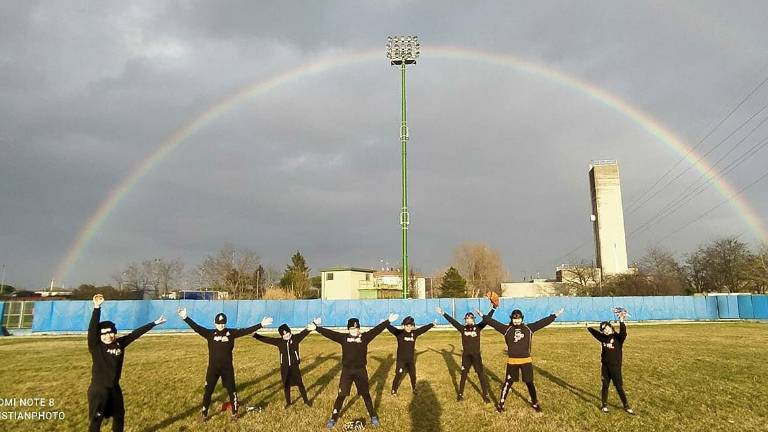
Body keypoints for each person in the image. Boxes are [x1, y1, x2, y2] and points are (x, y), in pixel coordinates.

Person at [87, 294, 166, 432]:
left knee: (119, 416)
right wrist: (97, 307)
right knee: (96, 421)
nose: (108, 335)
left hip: (114, 389)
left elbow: (135, 334)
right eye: (104, 333)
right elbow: (92, 329)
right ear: (99, 336)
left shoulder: (119, 344)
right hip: (99, 390)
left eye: (110, 332)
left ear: (114, 333)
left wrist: (154, 323)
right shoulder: (95, 346)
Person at [178, 307, 272, 421]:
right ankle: (204, 413)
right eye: (218, 323)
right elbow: (196, 328)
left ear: (225, 323)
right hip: (213, 369)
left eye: (222, 323)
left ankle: (235, 413)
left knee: (232, 390)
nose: (220, 325)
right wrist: (185, 317)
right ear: (214, 323)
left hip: (227, 369)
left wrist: (261, 324)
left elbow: (246, 330)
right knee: (208, 391)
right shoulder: (209, 333)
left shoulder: (231, 333)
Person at [315, 313, 398, 429]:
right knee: (341, 395)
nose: (354, 330)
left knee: (365, 394)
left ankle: (373, 416)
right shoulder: (343, 338)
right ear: (348, 329)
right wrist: (317, 328)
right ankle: (333, 418)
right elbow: (330, 334)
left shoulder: (364, 337)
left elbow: (376, 330)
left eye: (356, 328)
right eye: (352, 328)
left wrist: (388, 321)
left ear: (359, 328)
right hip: (347, 371)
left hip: (360, 371)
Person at [480, 307, 564, 412]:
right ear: (511, 319)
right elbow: (494, 323)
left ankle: (535, 403)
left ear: (522, 318)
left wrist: (554, 315)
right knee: (508, 382)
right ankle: (501, 404)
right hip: (512, 362)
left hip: (526, 361)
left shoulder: (529, 328)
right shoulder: (507, 329)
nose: (517, 320)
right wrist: (482, 316)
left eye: (519, 318)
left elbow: (542, 322)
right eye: (514, 319)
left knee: (530, 383)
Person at [435, 302, 495, 403]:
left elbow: (487, 320)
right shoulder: (462, 329)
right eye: (467, 319)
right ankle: (460, 394)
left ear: (473, 319)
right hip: (466, 356)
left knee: (480, 374)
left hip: (476, 356)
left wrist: (493, 309)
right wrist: (443, 313)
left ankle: (485, 395)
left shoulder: (478, 328)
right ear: (465, 320)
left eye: (470, 318)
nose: (468, 320)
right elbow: (453, 322)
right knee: (463, 374)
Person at [253, 322, 314, 408]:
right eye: (284, 336)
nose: (287, 336)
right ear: (281, 336)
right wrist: (255, 335)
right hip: (284, 368)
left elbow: (304, 333)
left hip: (294, 367)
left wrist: (312, 326)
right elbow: (267, 339)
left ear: (290, 332)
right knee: (286, 385)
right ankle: (288, 403)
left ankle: (306, 401)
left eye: (288, 334)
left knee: (300, 384)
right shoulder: (279, 342)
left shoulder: (296, 338)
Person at [587, 309, 635, 415]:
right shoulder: (603, 338)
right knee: (605, 385)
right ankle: (604, 405)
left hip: (615, 367)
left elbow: (623, 333)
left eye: (606, 328)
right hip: (605, 366)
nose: (605, 331)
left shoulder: (618, 338)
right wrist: (589, 328)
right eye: (603, 330)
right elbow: (595, 334)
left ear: (610, 327)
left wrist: (621, 320)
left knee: (619, 387)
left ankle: (626, 406)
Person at [386, 316, 435, 395]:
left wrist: (431, 324)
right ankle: (394, 389)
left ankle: (414, 388)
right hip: (401, 360)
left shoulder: (414, 333)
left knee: (413, 375)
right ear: (403, 326)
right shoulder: (399, 333)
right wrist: (385, 322)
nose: (409, 327)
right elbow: (390, 328)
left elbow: (423, 329)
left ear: (412, 326)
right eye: (407, 326)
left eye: (410, 326)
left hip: (410, 360)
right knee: (399, 374)